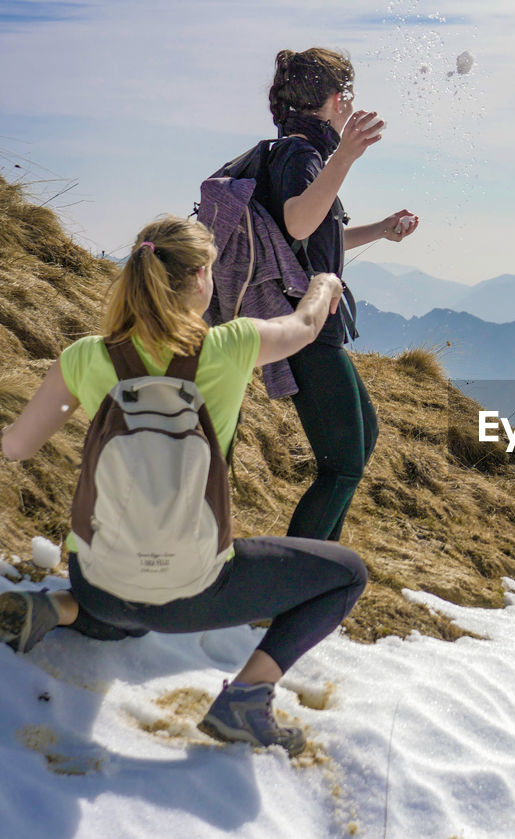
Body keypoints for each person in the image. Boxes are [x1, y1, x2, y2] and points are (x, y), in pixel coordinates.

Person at [0, 216, 367, 757]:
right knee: (345, 575)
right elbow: (305, 327)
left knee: (128, 608)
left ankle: (60, 608)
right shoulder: (232, 344)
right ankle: (247, 695)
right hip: (190, 594)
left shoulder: (85, 357)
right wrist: (325, 284)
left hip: (97, 579)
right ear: (199, 280)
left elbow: (15, 447)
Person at [264, 47, 419, 541]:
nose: (352, 105)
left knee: (361, 440)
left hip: (312, 326)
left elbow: (311, 234)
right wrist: (345, 156)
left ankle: (318, 569)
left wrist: (380, 229)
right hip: (305, 328)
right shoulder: (300, 152)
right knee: (342, 466)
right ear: (337, 98)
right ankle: (298, 579)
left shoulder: (299, 152)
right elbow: (298, 220)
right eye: (348, 94)